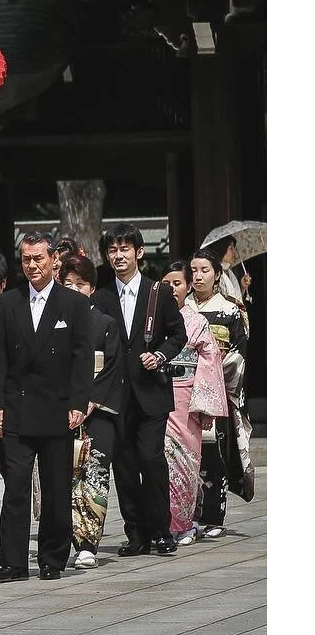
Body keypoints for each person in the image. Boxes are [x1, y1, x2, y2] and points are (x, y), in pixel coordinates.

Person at [0, 231, 94, 583]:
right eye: (26, 259)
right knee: (15, 485)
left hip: (57, 407)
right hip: (17, 406)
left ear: (53, 261)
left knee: (56, 487)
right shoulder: (9, 301)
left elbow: (82, 358)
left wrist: (78, 403)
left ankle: (52, 558)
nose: (32, 265)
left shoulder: (73, 304)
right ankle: (13, 561)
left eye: (38, 258)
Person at [92, 223, 188, 556]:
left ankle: (162, 531)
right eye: (112, 251)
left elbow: (178, 335)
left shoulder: (157, 292)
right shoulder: (100, 297)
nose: (118, 256)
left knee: (151, 458)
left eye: (124, 249)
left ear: (139, 252)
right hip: (116, 396)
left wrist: (160, 354)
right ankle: (135, 534)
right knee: (125, 465)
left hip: (151, 392)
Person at [59, 254, 125, 568]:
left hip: (98, 411)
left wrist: (87, 402)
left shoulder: (105, 323)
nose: (73, 289)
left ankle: (88, 543)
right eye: (67, 283)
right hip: (61, 409)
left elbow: (111, 368)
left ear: (92, 288)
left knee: (95, 474)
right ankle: (69, 538)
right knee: (65, 476)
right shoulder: (55, 322)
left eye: (80, 284)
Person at [159, 261, 227, 545]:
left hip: (186, 397)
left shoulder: (197, 322)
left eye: (177, 283)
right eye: (167, 283)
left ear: (188, 286)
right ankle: (161, 523)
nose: (172, 288)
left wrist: (205, 405)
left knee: (185, 460)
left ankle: (184, 522)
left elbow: (210, 363)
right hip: (156, 395)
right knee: (156, 461)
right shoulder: (152, 319)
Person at [191, 248, 254, 534]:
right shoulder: (182, 308)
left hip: (217, 389)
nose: (198, 276)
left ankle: (214, 516)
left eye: (205, 270)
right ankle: (187, 512)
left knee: (213, 452)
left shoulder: (230, 309)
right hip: (184, 389)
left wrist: (213, 372)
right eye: (193, 270)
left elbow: (239, 351)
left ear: (217, 274)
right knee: (187, 453)